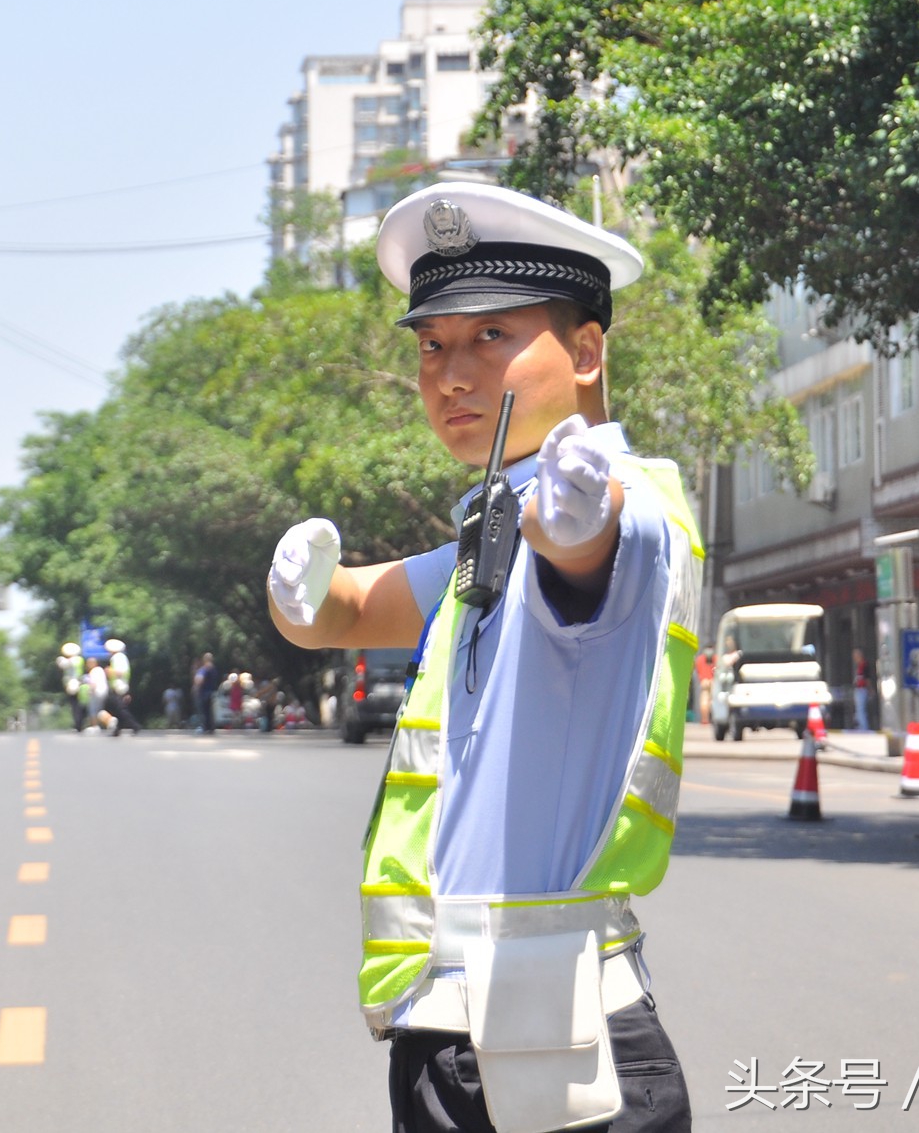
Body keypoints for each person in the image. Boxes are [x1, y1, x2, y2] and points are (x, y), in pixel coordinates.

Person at [266, 181, 696, 1133]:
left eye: (489, 337)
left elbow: (590, 553)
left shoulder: (624, 504)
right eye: (431, 345)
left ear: (585, 351)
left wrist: (581, 523)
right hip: (450, 1026)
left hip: (556, 1040)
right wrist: (302, 596)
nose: (451, 374)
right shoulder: (490, 524)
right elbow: (350, 612)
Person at [194, 653, 220, 734]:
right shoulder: (214, 669)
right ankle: (211, 727)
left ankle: (204, 727)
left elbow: (200, 679)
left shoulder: (204, 669)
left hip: (204, 692)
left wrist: (196, 685)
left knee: (204, 710)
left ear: (204, 660)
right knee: (210, 711)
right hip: (212, 692)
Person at [851, 651, 872, 734]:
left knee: (861, 709)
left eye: (856, 656)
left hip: (862, 689)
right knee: (858, 709)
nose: (855, 658)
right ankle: (860, 726)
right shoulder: (859, 666)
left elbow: (867, 679)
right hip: (858, 689)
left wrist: (870, 689)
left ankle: (864, 727)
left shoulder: (864, 665)